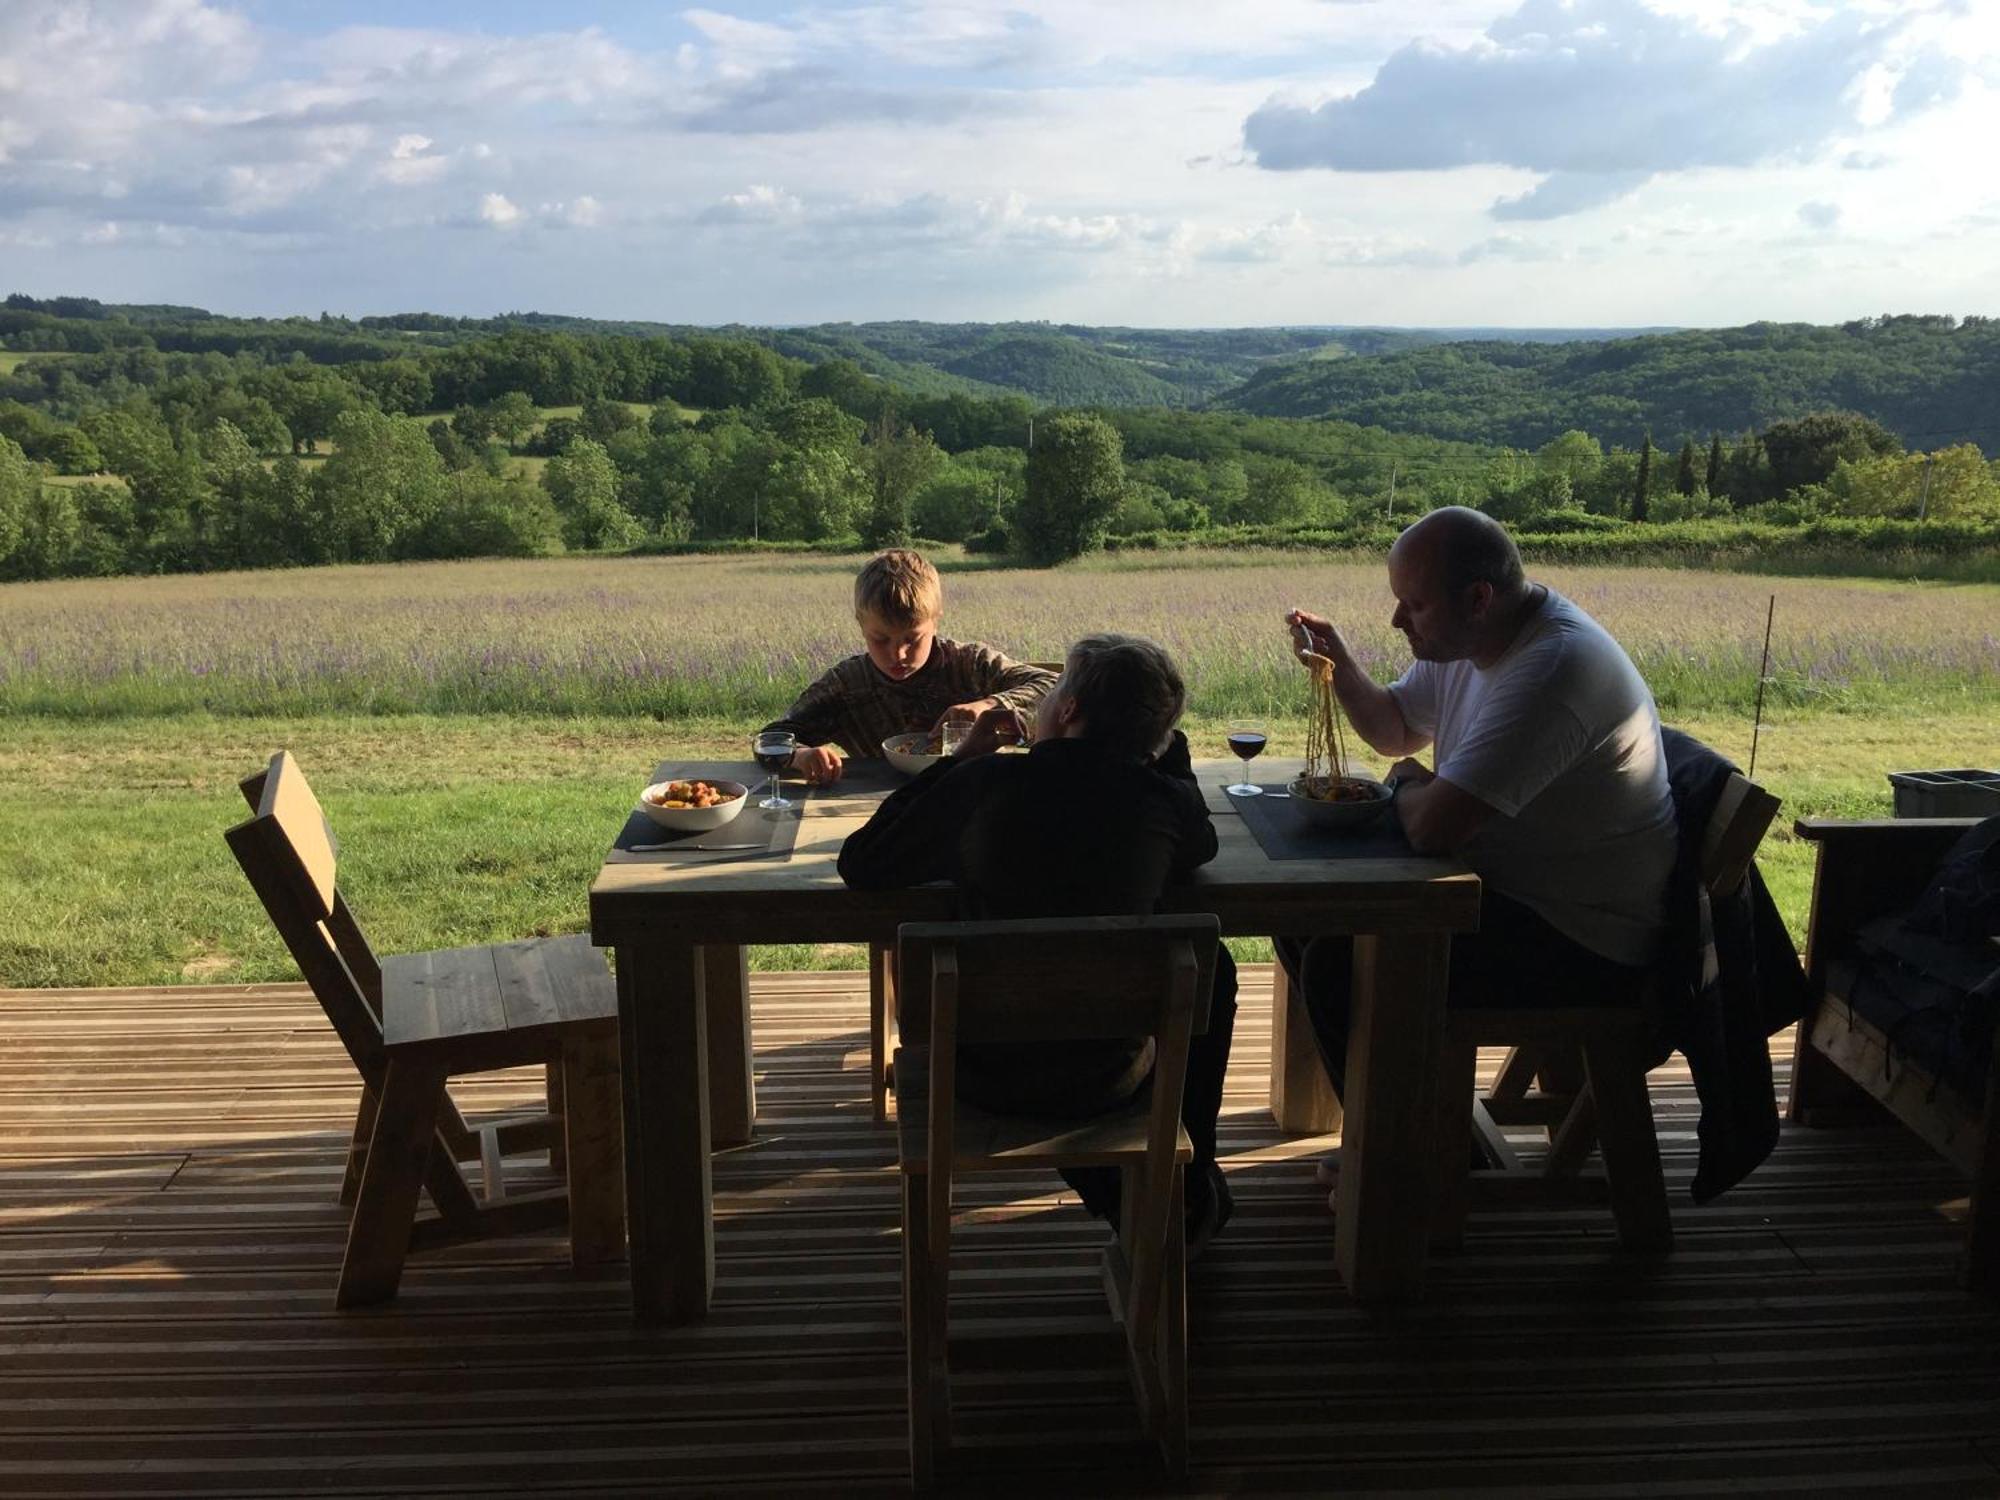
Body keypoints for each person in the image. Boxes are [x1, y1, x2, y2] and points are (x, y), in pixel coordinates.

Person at [1280, 506, 1677, 1198]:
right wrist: (1340, 666)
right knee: (1308, 917)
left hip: (1582, 939)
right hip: (1515, 895)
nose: (1399, 623)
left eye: (1414, 605)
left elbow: (1435, 828)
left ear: (1478, 599)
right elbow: (1397, 728)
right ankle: (1416, 1126)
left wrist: (1407, 784)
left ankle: (1406, 1160)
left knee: (1345, 962)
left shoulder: (1552, 668)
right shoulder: (1475, 639)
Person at [837, 633, 1239, 1252]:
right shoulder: (1160, 801)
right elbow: (1202, 846)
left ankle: (1164, 1197)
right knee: (1217, 966)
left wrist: (962, 759)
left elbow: (862, 862)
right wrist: (1161, 751)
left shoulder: (987, 785)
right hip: (1110, 1077)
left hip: (978, 1072)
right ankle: (1180, 1184)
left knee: (1209, 971)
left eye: (1054, 691)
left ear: (1070, 710)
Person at [760, 548, 1056, 785]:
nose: (897, 654)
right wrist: (801, 755)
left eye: (912, 640)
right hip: (878, 810)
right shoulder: (848, 684)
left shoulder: (971, 664)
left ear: (936, 620)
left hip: (971, 797)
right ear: (861, 626)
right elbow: (770, 739)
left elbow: (1054, 686)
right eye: (880, 639)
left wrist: (988, 705)